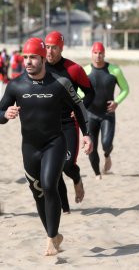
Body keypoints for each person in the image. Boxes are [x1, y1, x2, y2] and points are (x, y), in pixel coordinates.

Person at [0, 37, 93, 256]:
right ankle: (54, 234)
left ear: (42, 59)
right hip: (29, 147)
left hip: (54, 143)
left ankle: (50, 239)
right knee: (37, 191)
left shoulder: (59, 83)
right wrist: (5, 114)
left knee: (49, 185)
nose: (28, 62)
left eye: (32, 58)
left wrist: (86, 135)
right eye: (25, 57)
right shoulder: (16, 85)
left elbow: (79, 107)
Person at [45, 30, 94, 213]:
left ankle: (76, 177)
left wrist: (79, 107)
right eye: (47, 47)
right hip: (48, 126)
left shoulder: (74, 69)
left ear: (61, 48)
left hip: (68, 124)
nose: (49, 52)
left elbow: (90, 93)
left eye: (54, 48)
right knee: (54, 169)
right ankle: (64, 209)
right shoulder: (40, 67)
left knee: (66, 165)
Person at [83, 42, 129, 179]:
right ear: (92, 54)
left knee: (106, 143)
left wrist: (117, 102)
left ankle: (107, 155)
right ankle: (97, 173)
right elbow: (79, 91)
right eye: (95, 53)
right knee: (91, 146)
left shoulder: (114, 70)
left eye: (100, 53)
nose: (98, 56)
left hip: (107, 113)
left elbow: (125, 89)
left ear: (104, 54)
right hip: (90, 114)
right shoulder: (85, 71)